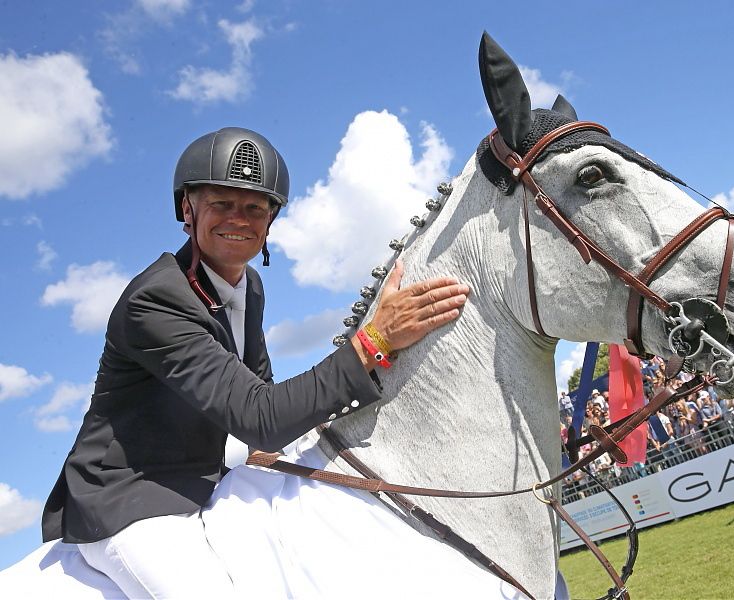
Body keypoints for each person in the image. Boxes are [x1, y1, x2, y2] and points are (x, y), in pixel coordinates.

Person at [40, 127, 470, 598]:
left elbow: (259, 391)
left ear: (270, 220)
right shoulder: (156, 300)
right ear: (188, 209)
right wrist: (373, 341)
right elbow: (262, 418)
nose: (239, 219)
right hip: (130, 501)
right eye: (222, 203)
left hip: (206, 480)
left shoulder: (250, 288)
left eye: (255, 208)